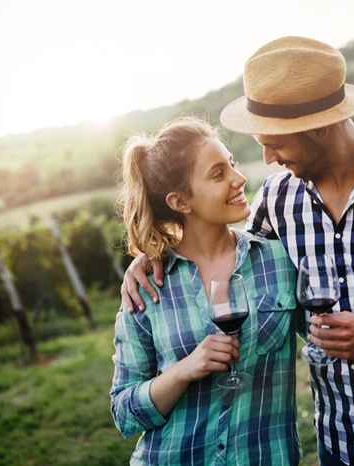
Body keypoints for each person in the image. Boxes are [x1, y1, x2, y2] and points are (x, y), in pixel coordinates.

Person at [122, 37, 354, 465]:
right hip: (339, 445)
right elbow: (227, 254)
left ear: (319, 127)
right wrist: (152, 256)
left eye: (275, 143)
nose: (266, 158)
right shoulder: (277, 199)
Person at [110, 117, 301, 465]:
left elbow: (327, 339)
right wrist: (184, 370)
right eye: (218, 174)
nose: (238, 179)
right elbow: (124, 413)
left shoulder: (279, 260)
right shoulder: (148, 285)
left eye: (232, 164)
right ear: (181, 201)